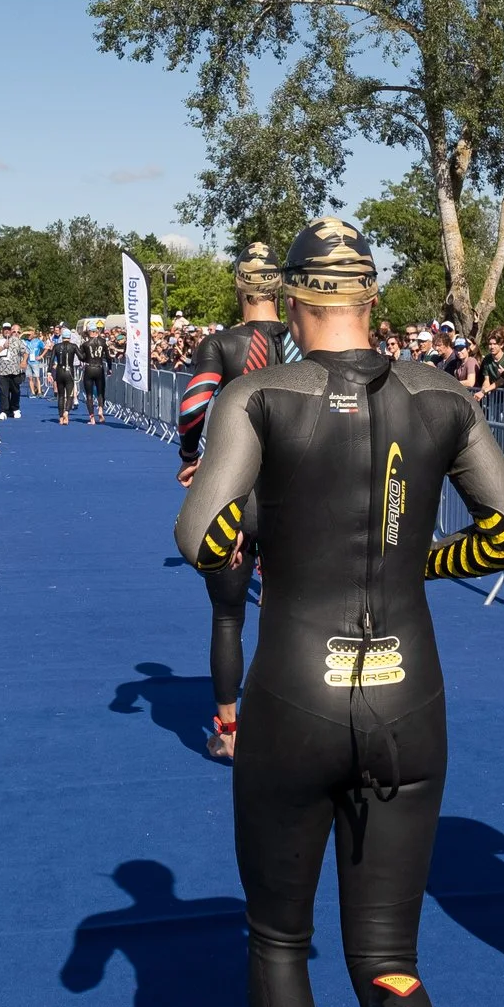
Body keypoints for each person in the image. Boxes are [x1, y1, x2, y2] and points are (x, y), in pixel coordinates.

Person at [174, 218, 504, 1007]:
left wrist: (260, 537)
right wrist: (424, 561)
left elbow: (198, 535)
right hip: (407, 694)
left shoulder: (258, 394)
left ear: (293, 300)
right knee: (390, 955)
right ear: (370, 296)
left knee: (279, 939)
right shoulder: (442, 392)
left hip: (296, 684)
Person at [175, 245, 298, 763]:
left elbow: (194, 406)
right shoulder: (303, 341)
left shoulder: (223, 344)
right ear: (278, 290)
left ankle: (228, 731)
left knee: (228, 616)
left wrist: (189, 453)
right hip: (296, 490)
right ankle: (291, 724)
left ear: (240, 288)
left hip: (236, 490)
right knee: (295, 612)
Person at [0, 328, 26, 419]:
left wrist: (24, 361)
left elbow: (25, 351)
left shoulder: (17, 340)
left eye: (8, 329)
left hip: (15, 371)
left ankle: (15, 409)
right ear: (2, 330)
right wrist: (3, 347)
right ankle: (3, 411)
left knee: (15, 391)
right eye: (5, 329)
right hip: (2, 371)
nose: (7, 331)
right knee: (3, 392)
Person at [48, 330, 81, 424]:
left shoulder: (56, 346)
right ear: (70, 337)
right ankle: (66, 411)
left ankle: (61, 417)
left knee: (61, 395)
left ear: (62, 337)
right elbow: (81, 356)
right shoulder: (73, 346)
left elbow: (51, 359)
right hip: (69, 372)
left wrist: (49, 372)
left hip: (59, 371)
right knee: (70, 395)